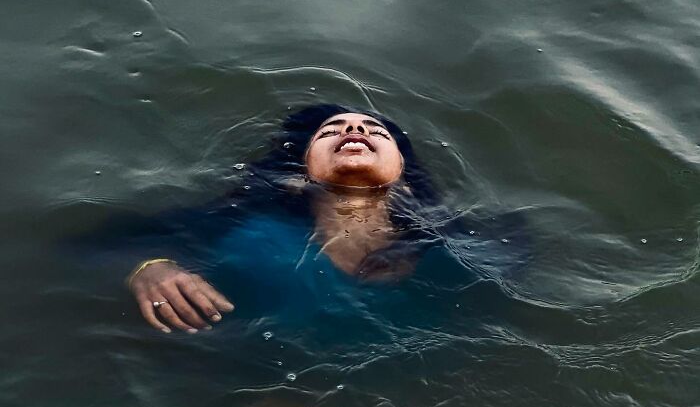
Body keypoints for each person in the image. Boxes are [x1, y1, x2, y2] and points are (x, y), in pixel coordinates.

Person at [119, 104, 527, 336]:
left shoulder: (450, 247)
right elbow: (112, 242)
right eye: (332, 131)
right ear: (300, 175)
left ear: (403, 177)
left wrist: (411, 247)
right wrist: (149, 267)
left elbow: (516, 258)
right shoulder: (249, 234)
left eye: (375, 131)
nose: (354, 127)